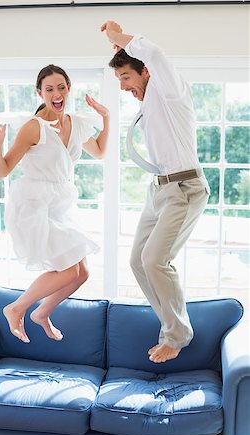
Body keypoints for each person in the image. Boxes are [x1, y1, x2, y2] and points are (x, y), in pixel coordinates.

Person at [101, 21, 210, 363]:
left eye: (127, 78)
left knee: (155, 260)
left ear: (146, 72)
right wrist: (122, 54)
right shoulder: (148, 104)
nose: (123, 87)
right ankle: (170, 326)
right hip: (159, 189)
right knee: (138, 261)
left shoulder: (171, 92)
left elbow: (156, 54)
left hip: (185, 186)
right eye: (119, 80)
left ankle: (178, 335)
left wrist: (119, 38)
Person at [0, 64, 109, 344]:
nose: (56, 93)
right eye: (49, 89)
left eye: (61, 87)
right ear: (40, 93)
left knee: (82, 273)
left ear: (69, 89)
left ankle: (41, 313)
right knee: (69, 270)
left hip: (61, 203)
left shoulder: (74, 123)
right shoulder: (33, 128)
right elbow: (3, 170)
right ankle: (15, 308)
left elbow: (99, 151)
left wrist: (107, 118)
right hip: (34, 204)